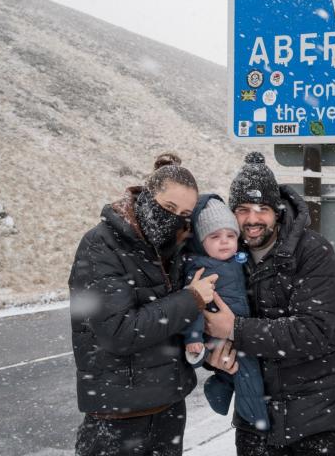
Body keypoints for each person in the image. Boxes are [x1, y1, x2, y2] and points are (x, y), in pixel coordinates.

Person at [202, 151, 335, 455]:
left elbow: (312, 332)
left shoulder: (313, 252)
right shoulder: (226, 259)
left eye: (262, 208)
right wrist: (212, 354)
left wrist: (236, 329)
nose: (252, 219)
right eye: (243, 209)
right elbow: (207, 325)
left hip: (319, 421)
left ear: (278, 211)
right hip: (255, 420)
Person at [68, 153, 220, 456]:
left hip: (169, 409)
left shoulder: (172, 246)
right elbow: (119, 332)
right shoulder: (102, 244)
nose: (175, 218)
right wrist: (191, 299)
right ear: (146, 197)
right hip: (117, 418)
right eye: (168, 207)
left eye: (184, 213)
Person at [180, 193, 269, 432]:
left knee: (240, 370)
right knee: (247, 372)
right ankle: (257, 421)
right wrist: (194, 338)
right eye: (215, 236)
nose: (225, 242)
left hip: (240, 327)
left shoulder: (237, 260)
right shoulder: (199, 269)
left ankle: (220, 386)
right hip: (220, 332)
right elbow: (194, 307)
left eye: (231, 236)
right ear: (200, 241)